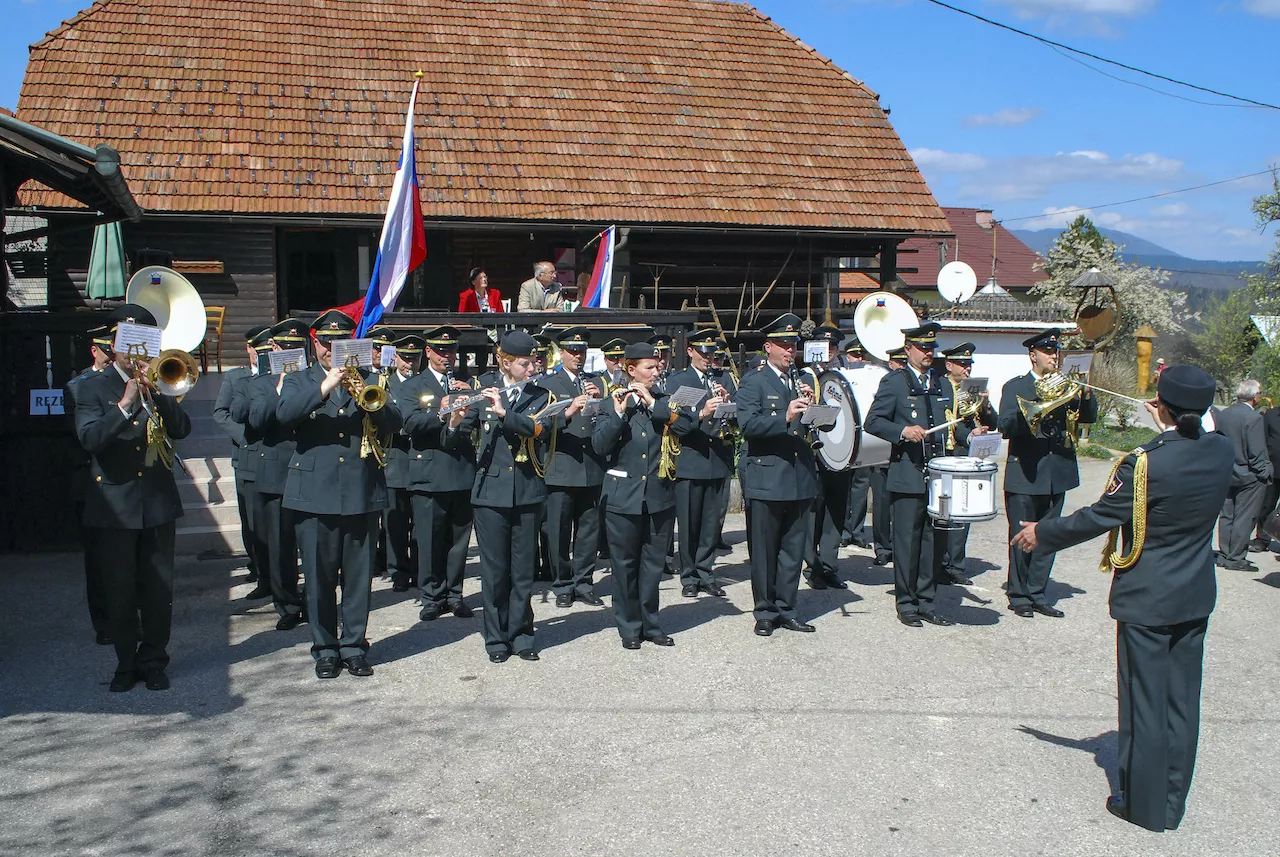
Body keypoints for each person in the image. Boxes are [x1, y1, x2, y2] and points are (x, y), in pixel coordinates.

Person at [1012, 365, 1231, 833]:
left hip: (1148, 596)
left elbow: (1101, 515)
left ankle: (1145, 808)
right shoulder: (1221, 450)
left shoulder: (1147, 461)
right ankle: (1173, 800)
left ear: (1160, 405)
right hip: (1194, 594)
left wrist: (1041, 533)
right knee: (1181, 702)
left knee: (1145, 703)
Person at [276, 309, 403, 679]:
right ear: (315, 344)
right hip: (315, 493)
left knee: (358, 577)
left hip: (362, 490)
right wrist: (326, 386)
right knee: (318, 578)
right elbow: (284, 415)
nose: (334, 350)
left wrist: (368, 399)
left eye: (342, 344)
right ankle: (325, 649)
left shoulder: (372, 378)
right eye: (327, 344)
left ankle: (353, 646)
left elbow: (395, 424)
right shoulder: (300, 378)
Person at [73, 304, 192, 691]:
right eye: (132, 342)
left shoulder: (158, 381)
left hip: (156, 502)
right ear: (115, 343)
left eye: (147, 342)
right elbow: (90, 438)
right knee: (119, 590)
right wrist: (126, 403)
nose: (141, 351)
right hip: (115, 504)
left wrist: (162, 396)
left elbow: (183, 430)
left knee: (158, 592)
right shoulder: (89, 387)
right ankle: (126, 662)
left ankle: (155, 660)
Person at [595, 341, 695, 648]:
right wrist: (618, 414)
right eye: (649, 367)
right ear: (631, 370)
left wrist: (653, 404)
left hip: (659, 496)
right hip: (623, 497)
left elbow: (687, 428)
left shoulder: (665, 402)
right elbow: (600, 447)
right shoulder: (610, 403)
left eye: (658, 365)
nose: (656, 370)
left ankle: (651, 624)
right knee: (625, 565)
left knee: (653, 565)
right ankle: (629, 627)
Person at [865, 322, 962, 628]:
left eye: (931, 348)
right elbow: (873, 422)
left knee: (934, 542)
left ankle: (927, 601)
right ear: (908, 349)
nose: (928, 353)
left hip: (938, 476)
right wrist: (903, 431)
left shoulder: (942, 383)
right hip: (907, 473)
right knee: (907, 541)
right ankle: (906, 602)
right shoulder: (895, 382)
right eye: (922, 348)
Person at [998, 328, 1097, 618]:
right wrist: (1035, 411)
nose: (1054, 356)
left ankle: (1038, 593)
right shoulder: (1017, 387)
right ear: (1033, 355)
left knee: (1048, 536)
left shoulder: (1067, 385)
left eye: (1056, 352)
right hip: (1026, 472)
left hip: (1057, 472)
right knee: (1021, 537)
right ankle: (1019, 595)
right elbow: (1005, 426)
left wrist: (1087, 394)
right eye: (1048, 352)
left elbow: (1088, 418)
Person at [468, 330, 551, 663]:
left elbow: (538, 430)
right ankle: (496, 637)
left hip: (527, 492)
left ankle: (521, 633)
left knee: (522, 569)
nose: (531, 367)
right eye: (524, 362)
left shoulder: (541, 395)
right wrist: (456, 415)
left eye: (533, 361)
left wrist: (504, 413)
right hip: (490, 492)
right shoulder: (483, 389)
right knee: (494, 570)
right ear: (505, 361)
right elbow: (458, 434)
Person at [736, 313, 820, 636]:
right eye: (784, 344)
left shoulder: (799, 380)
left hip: (799, 478)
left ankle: (788, 608)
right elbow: (748, 426)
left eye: (794, 345)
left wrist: (813, 413)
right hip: (768, 479)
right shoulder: (754, 381)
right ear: (768, 346)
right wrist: (784, 417)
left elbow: (806, 427)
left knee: (792, 550)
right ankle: (765, 611)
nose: (790, 351)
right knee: (765, 551)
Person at [402, 326, 478, 621]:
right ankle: (432, 596)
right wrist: (442, 413)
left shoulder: (466, 384)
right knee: (430, 538)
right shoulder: (412, 385)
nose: (447, 356)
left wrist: (456, 418)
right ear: (428, 352)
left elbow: (470, 420)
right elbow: (411, 423)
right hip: (429, 472)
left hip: (460, 471)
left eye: (451, 351)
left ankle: (455, 594)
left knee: (459, 540)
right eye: (440, 351)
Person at [237, 319, 307, 631]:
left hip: (307, 467)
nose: (292, 351)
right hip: (276, 471)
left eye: (297, 347)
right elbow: (256, 421)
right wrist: (280, 384)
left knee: (312, 544)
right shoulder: (261, 384)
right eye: (286, 347)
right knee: (280, 545)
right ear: (274, 348)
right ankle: (288, 605)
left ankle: (317, 600)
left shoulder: (314, 379)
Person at [539, 326, 607, 608]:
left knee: (588, 531)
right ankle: (562, 583)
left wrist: (597, 401)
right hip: (561, 465)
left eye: (581, 351)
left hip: (591, 466)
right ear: (561, 352)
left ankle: (584, 581)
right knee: (558, 530)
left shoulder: (597, 382)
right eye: (572, 351)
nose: (577, 356)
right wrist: (569, 412)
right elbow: (540, 426)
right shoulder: (548, 384)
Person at [667, 328, 734, 598]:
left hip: (717, 457)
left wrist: (729, 404)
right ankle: (688, 576)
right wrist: (702, 411)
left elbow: (740, 416)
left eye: (712, 353)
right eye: (703, 352)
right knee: (689, 523)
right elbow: (677, 422)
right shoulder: (678, 381)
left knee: (710, 524)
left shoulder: (724, 378)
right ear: (691, 351)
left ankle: (706, 572)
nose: (709, 358)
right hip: (690, 460)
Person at [65, 324, 114, 645]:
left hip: (123, 480)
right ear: (94, 350)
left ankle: (129, 616)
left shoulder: (123, 383)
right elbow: (82, 438)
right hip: (93, 482)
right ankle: (105, 624)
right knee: (98, 561)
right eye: (107, 352)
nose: (112, 358)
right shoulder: (78, 387)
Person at [214, 324, 270, 595]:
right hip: (247, 455)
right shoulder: (237, 378)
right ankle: (259, 569)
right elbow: (221, 413)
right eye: (257, 349)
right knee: (251, 521)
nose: (262, 354)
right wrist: (244, 437)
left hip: (275, 455)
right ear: (248, 348)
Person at [937, 342, 996, 586]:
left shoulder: (971, 390)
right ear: (949, 365)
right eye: (962, 364)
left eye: (969, 364)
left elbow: (992, 421)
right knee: (942, 512)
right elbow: (948, 421)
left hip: (964, 454)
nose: (967, 369)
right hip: (943, 453)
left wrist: (986, 406)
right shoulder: (940, 387)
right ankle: (939, 563)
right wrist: (968, 433)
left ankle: (957, 564)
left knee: (964, 508)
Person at [803, 324, 852, 590]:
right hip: (816, 452)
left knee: (836, 510)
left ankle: (830, 565)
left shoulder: (843, 375)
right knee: (815, 511)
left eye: (832, 348)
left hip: (841, 451)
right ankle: (813, 566)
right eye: (824, 347)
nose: (829, 352)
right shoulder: (806, 375)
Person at [1213, 379, 1272, 571]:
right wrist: (1266, 473)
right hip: (1249, 475)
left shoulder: (1224, 414)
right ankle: (1236, 557)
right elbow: (1256, 453)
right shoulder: (1253, 419)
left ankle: (1224, 553)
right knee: (1245, 516)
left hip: (1227, 471)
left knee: (1227, 514)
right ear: (1255, 397)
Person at [385, 333, 424, 591]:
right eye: (405, 358)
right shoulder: (384, 384)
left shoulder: (426, 383)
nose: (409, 364)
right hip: (395, 460)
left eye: (414, 358)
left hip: (421, 459)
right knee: (396, 523)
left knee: (421, 525)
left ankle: (421, 570)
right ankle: (398, 571)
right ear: (395, 357)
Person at [1252, 397, 1280, 550]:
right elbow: (1262, 440)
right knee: (1266, 506)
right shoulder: (1271, 415)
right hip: (1273, 469)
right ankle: (1262, 539)